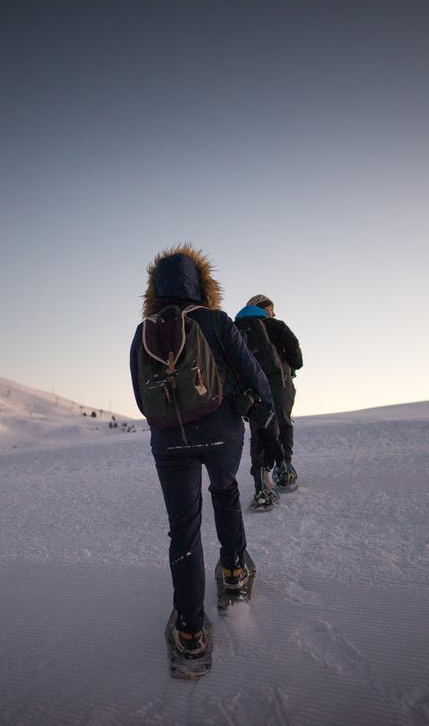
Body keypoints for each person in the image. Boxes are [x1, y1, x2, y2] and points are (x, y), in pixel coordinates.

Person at [130, 244, 283, 659]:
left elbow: (142, 401)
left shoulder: (144, 331)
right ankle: (234, 571)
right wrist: (265, 419)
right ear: (202, 284)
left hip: (168, 441)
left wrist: (171, 427)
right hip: (222, 435)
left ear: (154, 290)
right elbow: (254, 375)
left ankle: (191, 630)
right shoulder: (216, 321)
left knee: (183, 527)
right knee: (225, 490)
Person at [234, 294, 303, 495]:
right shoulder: (276, 326)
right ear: (264, 308)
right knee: (283, 422)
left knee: (259, 429)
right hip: (279, 383)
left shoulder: (235, 330)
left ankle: (261, 481)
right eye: (271, 308)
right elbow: (297, 359)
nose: (273, 312)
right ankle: (284, 471)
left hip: (251, 388)